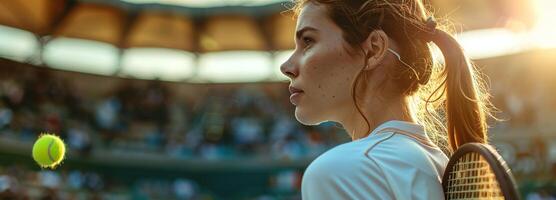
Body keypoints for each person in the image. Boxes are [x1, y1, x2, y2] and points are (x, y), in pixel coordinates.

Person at [279, 0, 494, 199]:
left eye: (308, 41)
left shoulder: (338, 172)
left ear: (374, 49)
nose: (286, 67)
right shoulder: (436, 164)